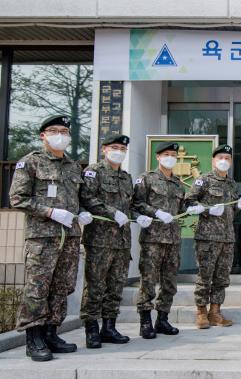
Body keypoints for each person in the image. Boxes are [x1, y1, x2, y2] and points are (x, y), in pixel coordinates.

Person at [9, 115, 91, 361]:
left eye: (65, 131)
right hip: (42, 238)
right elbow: (18, 198)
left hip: (70, 237)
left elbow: (81, 198)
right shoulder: (30, 163)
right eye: (54, 130)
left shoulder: (74, 166)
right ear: (43, 135)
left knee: (62, 287)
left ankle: (51, 332)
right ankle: (33, 338)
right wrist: (50, 211)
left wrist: (84, 211)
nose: (61, 135)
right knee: (38, 287)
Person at [79, 134, 153, 348]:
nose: (118, 151)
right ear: (104, 149)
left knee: (116, 285)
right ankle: (91, 329)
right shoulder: (93, 172)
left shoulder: (126, 177)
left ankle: (109, 327)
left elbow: (129, 205)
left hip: (122, 241)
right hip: (99, 240)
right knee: (95, 286)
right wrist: (112, 212)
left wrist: (137, 215)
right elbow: (88, 199)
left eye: (122, 148)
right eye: (114, 147)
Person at [185, 144, 241, 329]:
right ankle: (201, 313)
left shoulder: (232, 183)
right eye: (220, 157)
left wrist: (239, 206)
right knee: (205, 275)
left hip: (227, 237)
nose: (224, 161)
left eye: (227, 158)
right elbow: (189, 202)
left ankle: (215, 312)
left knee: (222, 277)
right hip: (207, 237)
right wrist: (206, 210)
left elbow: (231, 211)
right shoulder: (203, 180)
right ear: (213, 160)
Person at [132, 141, 187, 339]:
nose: (170, 157)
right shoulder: (146, 179)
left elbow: (181, 210)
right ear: (158, 157)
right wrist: (155, 212)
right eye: (166, 154)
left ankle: (162, 319)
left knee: (169, 282)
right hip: (152, 239)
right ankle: (145, 321)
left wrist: (191, 209)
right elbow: (136, 203)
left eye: (173, 154)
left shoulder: (178, 184)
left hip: (173, 239)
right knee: (148, 281)